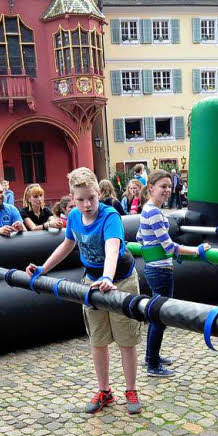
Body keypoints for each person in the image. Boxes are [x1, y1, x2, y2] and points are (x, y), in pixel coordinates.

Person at [26, 167, 142, 415]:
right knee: (98, 340)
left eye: (91, 198)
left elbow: (112, 248)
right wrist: (42, 269)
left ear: (99, 193)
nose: (87, 204)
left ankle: (131, 389)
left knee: (125, 339)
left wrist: (108, 277)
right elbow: (68, 244)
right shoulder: (75, 217)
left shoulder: (110, 216)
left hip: (120, 280)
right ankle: (104, 391)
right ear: (72, 197)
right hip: (91, 282)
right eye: (80, 200)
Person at [138, 169, 210, 378]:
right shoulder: (153, 212)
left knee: (156, 315)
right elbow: (169, 246)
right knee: (159, 317)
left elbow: (139, 237)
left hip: (154, 268)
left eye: (169, 186)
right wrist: (196, 250)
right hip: (160, 270)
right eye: (163, 186)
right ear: (151, 187)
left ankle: (152, 356)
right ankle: (152, 364)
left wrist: (152, 249)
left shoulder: (147, 209)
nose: (167, 190)